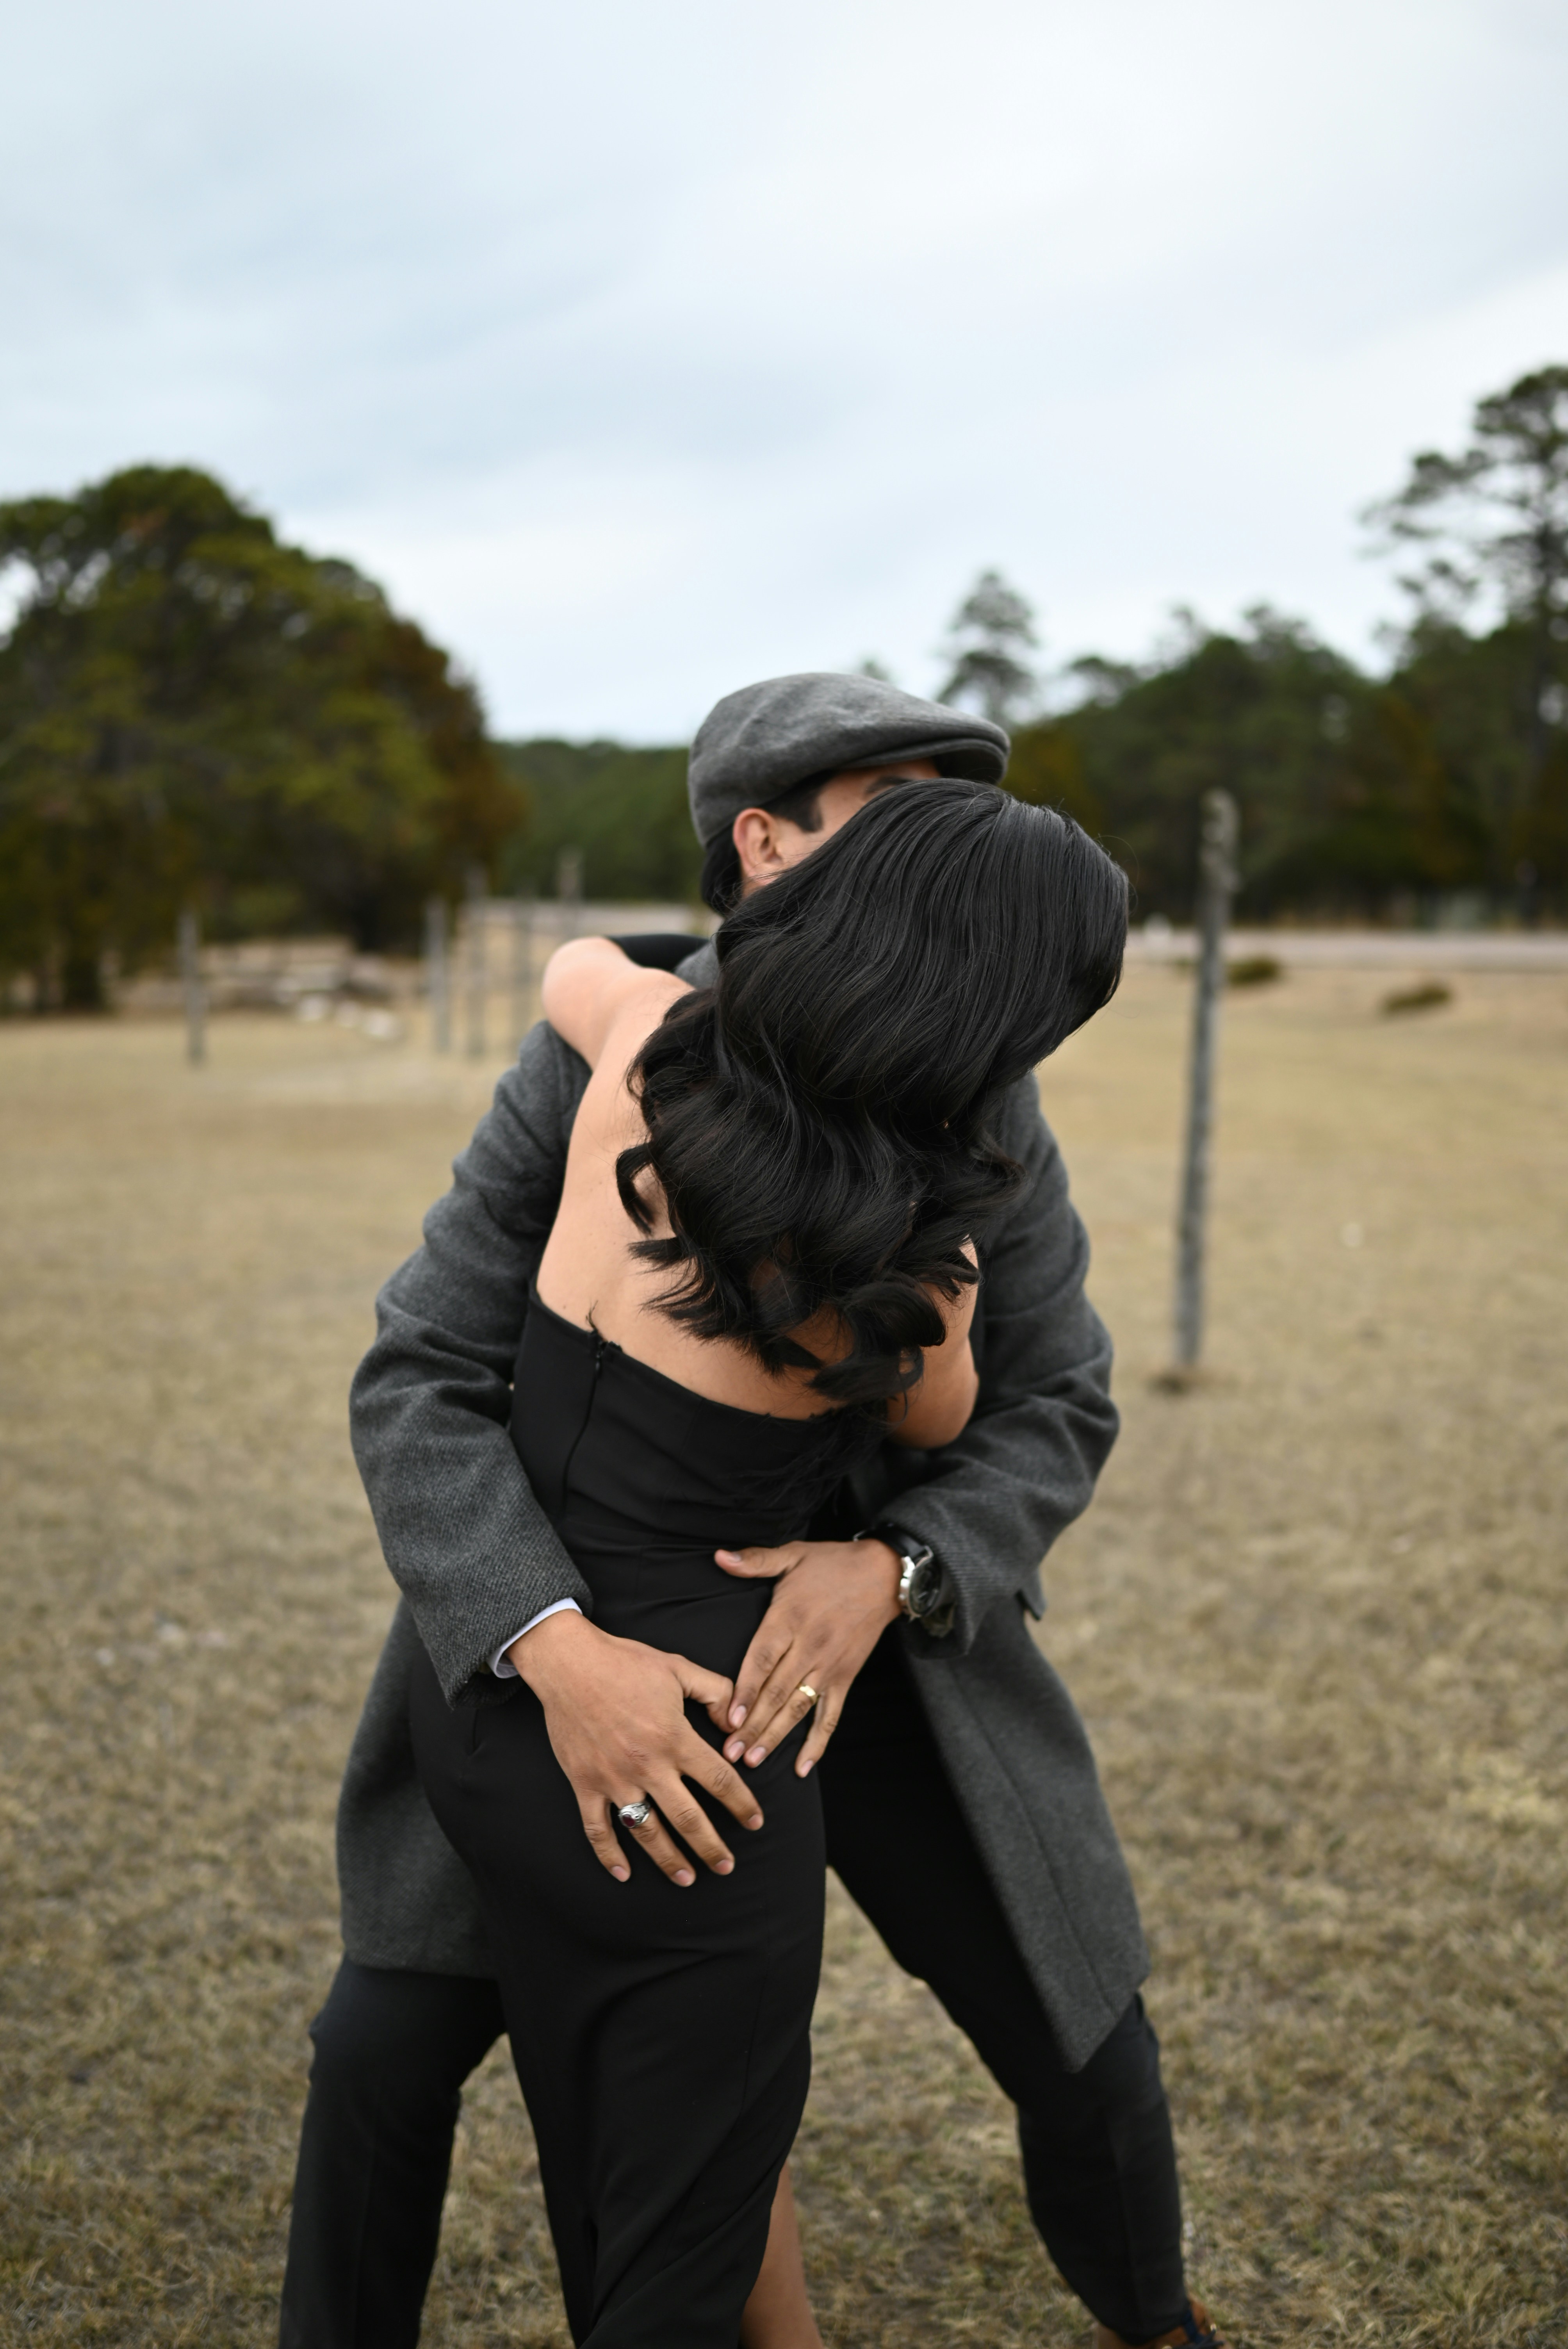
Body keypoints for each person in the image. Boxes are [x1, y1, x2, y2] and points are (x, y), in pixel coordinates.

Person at [279, 673, 1230, 2349]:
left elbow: (1058, 1401)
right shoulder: (617, 1050)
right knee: (383, 2047)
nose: (939, 844)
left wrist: (896, 1569)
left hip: (891, 1656)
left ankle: (1157, 2324)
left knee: (1078, 2026)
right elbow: (420, 1374)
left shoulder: (985, 1092)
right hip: (587, 1644)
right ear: (765, 845)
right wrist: (552, 1648)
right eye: (901, 810)